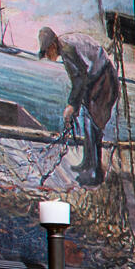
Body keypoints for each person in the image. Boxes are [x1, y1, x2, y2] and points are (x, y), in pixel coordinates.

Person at [38, 23, 120, 182]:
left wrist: (71, 106)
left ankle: (95, 173)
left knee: (94, 124)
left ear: (53, 45)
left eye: (47, 52)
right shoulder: (65, 48)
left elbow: (80, 78)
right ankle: (88, 162)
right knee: (87, 121)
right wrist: (75, 105)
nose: (47, 56)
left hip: (104, 79)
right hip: (94, 79)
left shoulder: (68, 49)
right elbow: (80, 78)